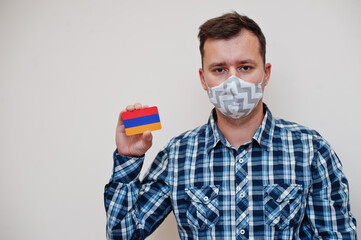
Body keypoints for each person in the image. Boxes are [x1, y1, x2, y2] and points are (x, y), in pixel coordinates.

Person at [104, 12, 357, 239]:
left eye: (245, 67)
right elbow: (122, 234)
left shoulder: (311, 150)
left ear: (265, 73)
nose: (233, 82)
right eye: (220, 69)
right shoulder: (177, 154)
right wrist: (128, 159)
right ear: (204, 78)